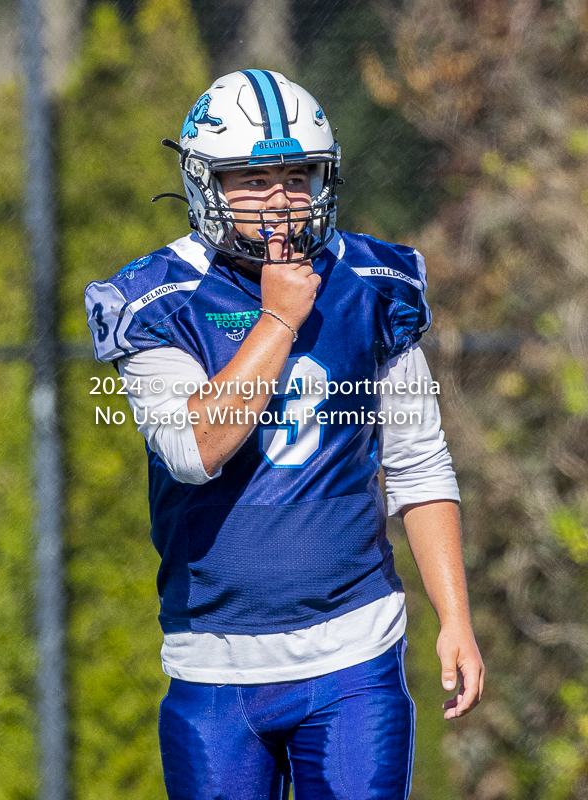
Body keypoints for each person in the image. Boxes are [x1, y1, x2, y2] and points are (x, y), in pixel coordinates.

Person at [85, 69, 484, 800]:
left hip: (354, 653)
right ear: (206, 183)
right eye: (251, 178)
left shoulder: (372, 283)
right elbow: (193, 451)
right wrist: (278, 321)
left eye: (295, 176)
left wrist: (455, 618)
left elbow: (420, 465)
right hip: (216, 665)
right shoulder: (157, 300)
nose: (278, 200)